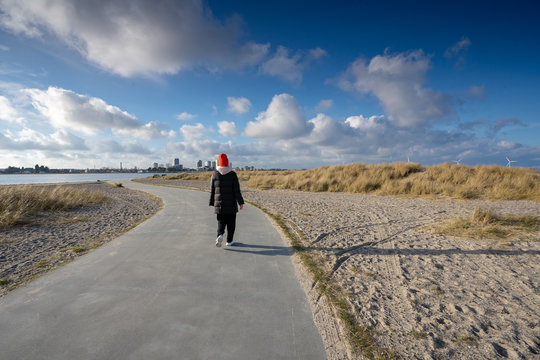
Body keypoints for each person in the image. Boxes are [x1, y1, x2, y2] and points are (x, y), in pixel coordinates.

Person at [209, 153, 244, 247]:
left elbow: (212, 190)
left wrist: (212, 202)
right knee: (231, 223)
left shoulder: (215, 174)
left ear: (219, 163)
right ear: (227, 163)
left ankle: (219, 235)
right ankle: (229, 241)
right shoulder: (232, 174)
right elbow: (237, 190)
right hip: (231, 205)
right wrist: (240, 202)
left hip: (219, 205)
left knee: (221, 222)